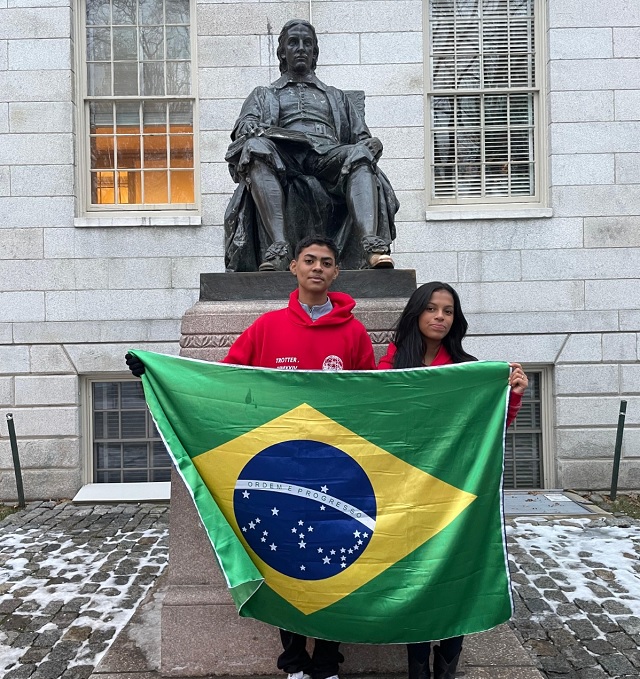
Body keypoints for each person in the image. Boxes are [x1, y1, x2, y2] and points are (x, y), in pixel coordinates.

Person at [126, 236, 377, 679]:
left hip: (336, 471)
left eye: (327, 263)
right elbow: (220, 380)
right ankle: (294, 659)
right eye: (309, 261)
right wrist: (160, 373)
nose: (317, 268)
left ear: (337, 273)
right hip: (276, 468)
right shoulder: (267, 328)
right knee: (283, 562)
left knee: (333, 563)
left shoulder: (352, 332)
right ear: (294, 268)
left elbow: (376, 396)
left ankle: (328, 659)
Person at [378, 281, 528, 679]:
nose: (439, 317)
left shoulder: (468, 368)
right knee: (416, 581)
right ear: (416, 314)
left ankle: (447, 670)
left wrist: (510, 396)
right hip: (406, 497)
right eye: (431, 309)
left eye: (447, 310)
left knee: (454, 579)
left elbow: (492, 429)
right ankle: (417, 671)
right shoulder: (388, 369)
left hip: (457, 495)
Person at [223, 19, 399, 272]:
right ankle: (279, 248)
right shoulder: (264, 93)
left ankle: (372, 247)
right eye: (293, 43)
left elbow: (361, 138)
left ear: (315, 52)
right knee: (254, 148)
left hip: (328, 154)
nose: (301, 48)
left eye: (308, 43)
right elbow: (247, 122)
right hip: (284, 155)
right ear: (282, 52)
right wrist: (249, 126)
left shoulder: (337, 96)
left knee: (359, 154)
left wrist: (374, 144)